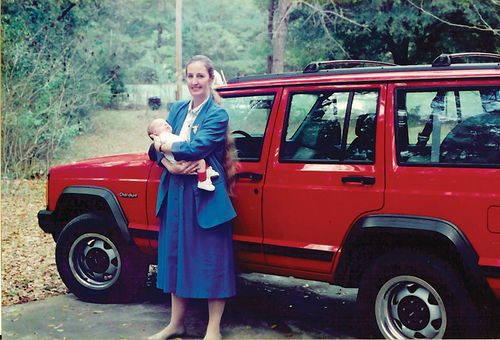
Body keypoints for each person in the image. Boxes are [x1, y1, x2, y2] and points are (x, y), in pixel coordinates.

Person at [148, 55, 237, 340]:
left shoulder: (217, 115)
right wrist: (167, 162)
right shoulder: (175, 110)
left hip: (205, 194)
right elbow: (152, 151)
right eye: (190, 76)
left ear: (211, 79)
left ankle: (213, 329)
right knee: (175, 257)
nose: (195, 82)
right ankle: (176, 324)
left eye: (200, 76)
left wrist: (164, 146)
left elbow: (198, 146)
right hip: (175, 193)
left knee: (213, 259)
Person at [147, 118, 220, 191]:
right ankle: (203, 180)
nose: (166, 124)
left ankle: (206, 172)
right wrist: (168, 164)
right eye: (161, 125)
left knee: (200, 161)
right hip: (179, 159)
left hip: (183, 155)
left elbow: (196, 147)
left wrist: (160, 147)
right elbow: (154, 148)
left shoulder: (216, 115)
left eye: (166, 123)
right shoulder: (164, 135)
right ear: (155, 133)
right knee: (200, 162)